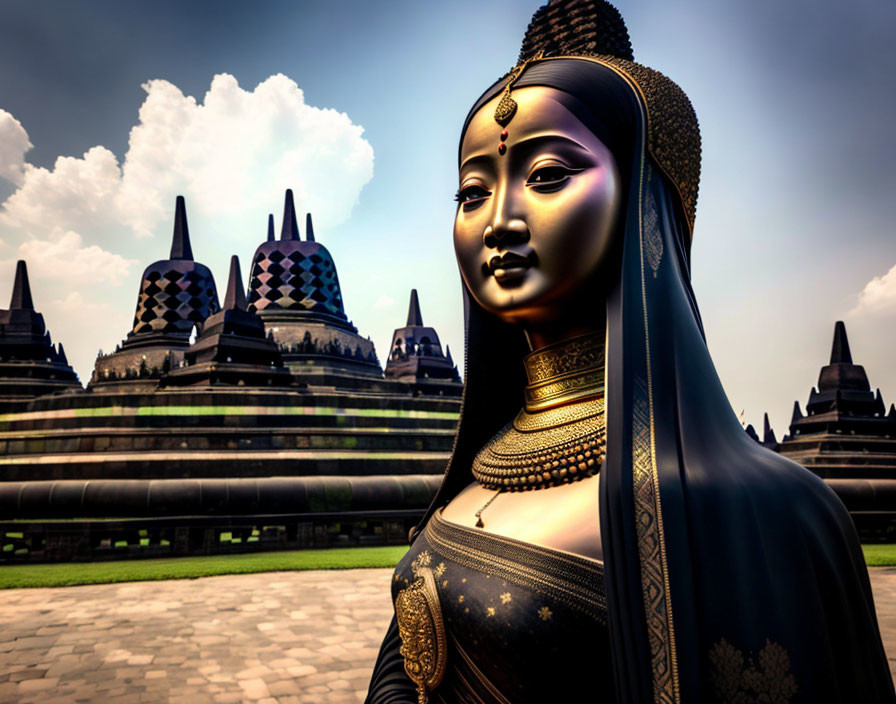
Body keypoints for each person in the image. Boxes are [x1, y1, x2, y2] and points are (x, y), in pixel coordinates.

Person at [365, 1, 895, 702]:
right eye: (472, 191)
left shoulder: (759, 514)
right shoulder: (479, 471)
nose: (498, 221)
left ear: (645, 203)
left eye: (548, 175)